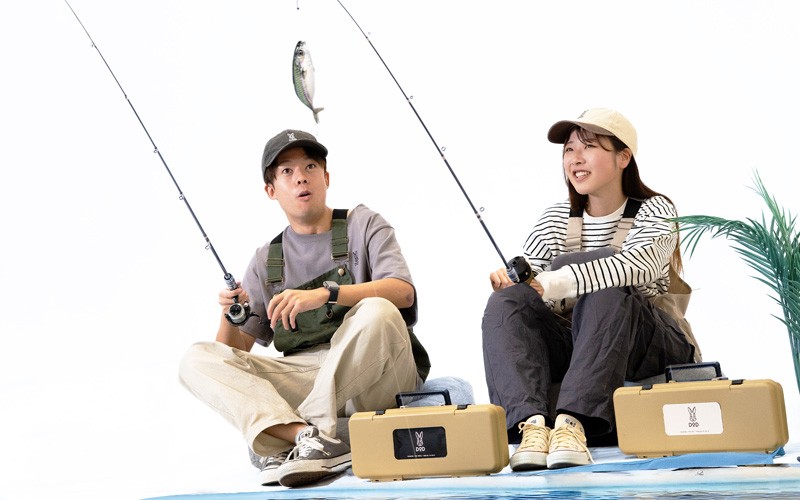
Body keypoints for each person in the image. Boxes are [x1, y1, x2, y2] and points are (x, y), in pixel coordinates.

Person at [179, 129, 430, 488]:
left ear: (326, 177)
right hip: (309, 374)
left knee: (379, 310)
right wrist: (230, 313)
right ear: (271, 190)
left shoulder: (364, 224)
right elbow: (233, 358)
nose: (301, 177)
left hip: (379, 372)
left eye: (310, 167)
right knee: (196, 359)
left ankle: (283, 438)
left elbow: (402, 293)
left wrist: (327, 294)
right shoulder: (267, 259)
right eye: (287, 171)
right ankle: (305, 435)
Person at [482, 108, 701, 471]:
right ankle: (531, 426)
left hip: (651, 343)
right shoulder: (555, 218)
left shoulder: (656, 209)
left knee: (609, 288)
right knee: (508, 302)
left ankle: (573, 425)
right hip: (584, 345)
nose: (576, 158)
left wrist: (555, 281)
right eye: (569, 149)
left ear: (623, 157)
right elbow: (534, 280)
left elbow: (638, 265)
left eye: (589, 147)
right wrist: (515, 281)